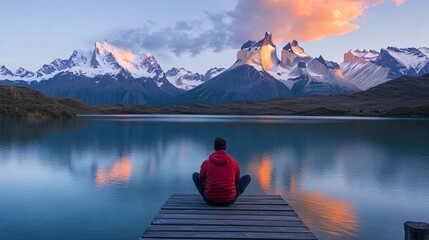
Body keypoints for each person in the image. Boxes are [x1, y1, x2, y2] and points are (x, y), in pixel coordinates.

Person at [193, 137, 251, 206]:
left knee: (195, 175)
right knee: (247, 178)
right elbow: (237, 180)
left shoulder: (206, 163)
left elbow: (201, 179)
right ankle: (228, 193)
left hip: (210, 200)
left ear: (215, 148)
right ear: (225, 148)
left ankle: (212, 192)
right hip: (229, 200)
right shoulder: (234, 163)